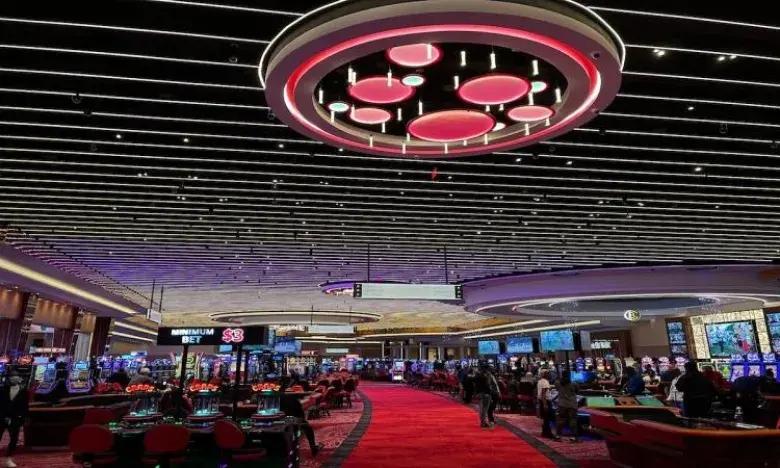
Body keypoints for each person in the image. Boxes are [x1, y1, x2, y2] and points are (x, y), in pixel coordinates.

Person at [280, 388, 323, 456]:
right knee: (307, 428)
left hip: (280, 419)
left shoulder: (272, 398)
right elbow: (300, 412)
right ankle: (313, 447)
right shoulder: (290, 398)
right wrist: (302, 421)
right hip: (291, 419)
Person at [1, 372, 29, 468]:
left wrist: (24, 418)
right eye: (12, 376)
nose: (14, 378)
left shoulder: (24, 391)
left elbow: (25, 406)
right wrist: (3, 416)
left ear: (19, 378)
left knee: (14, 440)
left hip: (15, 418)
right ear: (8, 378)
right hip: (2, 417)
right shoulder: (2, 389)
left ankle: (8, 459)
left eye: (16, 376)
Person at [555, 370, 580, 442]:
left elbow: (557, 388)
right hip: (572, 404)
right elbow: (577, 391)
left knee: (560, 420)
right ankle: (573, 437)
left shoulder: (558, 383)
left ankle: (558, 436)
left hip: (562, 404)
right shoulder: (574, 383)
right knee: (573, 421)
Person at [537, 370, 556, 439]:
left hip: (541, 401)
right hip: (545, 401)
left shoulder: (540, 381)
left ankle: (545, 432)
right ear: (545, 374)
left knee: (546, 418)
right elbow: (543, 394)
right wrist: (545, 404)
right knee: (548, 417)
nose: (549, 375)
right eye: (548, 373)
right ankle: (548, 433)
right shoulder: (545, 382)